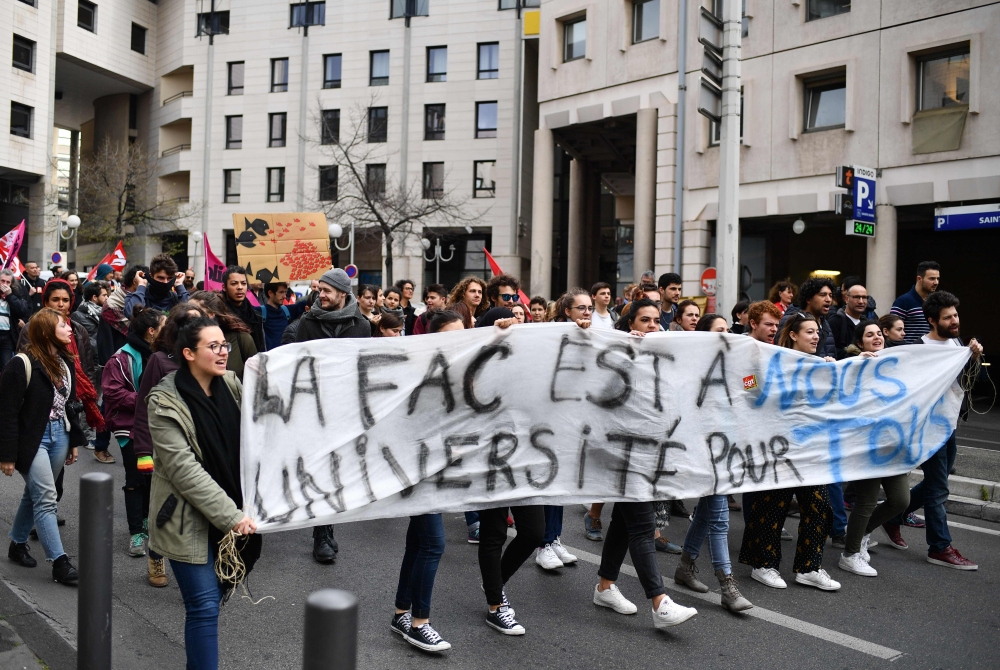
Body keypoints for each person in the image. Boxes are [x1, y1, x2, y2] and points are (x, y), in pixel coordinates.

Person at [147, 317, 261, 670]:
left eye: (224, 344)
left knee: (212, 601)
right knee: (204, 606)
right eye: (213, 346)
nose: (223, 351)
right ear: (188, 353)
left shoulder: (231, 382)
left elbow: (258, 434)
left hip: (234, 509)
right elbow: (184, 471)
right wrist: (232, 517)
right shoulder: (163, 401)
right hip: (185, 519)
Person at [738, 312, 840, 592]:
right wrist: (759, 380)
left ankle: (809, 567)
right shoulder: (770, 360)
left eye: (817, 331)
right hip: (777, 448)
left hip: (809, 450)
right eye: (809, 332)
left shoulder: (821, 365)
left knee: (818, 505)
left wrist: (841, 370)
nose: (816, 336)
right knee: (773, 506)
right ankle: (763, 565)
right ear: (793, 335)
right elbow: (746, 386)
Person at [884, 291, 982, 568]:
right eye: (948, 317)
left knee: (935, 483)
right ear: (931, 320)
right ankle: (939, 547)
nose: (954, 321)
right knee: (938, 489)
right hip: (928, 427)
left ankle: (892, 517)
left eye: (956, 315)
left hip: (949, 424)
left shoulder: (958, 343)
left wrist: (974, 358)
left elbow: (971, 382)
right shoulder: (919, 348)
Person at [673, 314, 753, 612]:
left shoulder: (737, 365)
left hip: (727, 448)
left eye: (728, 330)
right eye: (720, 331)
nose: (727, 334)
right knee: (719, 517)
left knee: (708, 513)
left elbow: (752, 388)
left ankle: (685, 566)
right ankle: (727, 585)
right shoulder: (690, 368)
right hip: (702, 450)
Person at [0, 308, 82, 585]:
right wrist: (7, 455)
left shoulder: (65, 362)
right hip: (31, 438)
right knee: (47, 496)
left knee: (34, 493)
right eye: (63, 326)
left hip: (60, 434)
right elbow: (7, 413)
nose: (70, 330)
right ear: (47, 331)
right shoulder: (20, 364)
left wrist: (74, 440)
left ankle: (17, 544)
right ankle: (60, 562)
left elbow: (68, 405)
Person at [296, 269, 371, 563]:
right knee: (320, 469)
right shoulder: (308, 322)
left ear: (343, 293)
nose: (321, 295)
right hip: (313, 408)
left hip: (344, 408)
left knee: (337, 470)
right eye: (320, 291)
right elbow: (295, 361)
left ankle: (327, 528)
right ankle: (321, 534)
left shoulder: (361, 325)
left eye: (327, 291)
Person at [132, 303, 206, 587]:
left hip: (199, 446)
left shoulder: (205, 356)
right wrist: (142, 451)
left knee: (197, 506)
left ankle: (196, 563)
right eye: (189, 322)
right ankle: (156, 555)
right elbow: (143, 406)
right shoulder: (160, 360)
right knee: (165, 507)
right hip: (165, 448)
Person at [834, 320, 909, 578]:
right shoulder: (854, 363)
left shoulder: (894, 362)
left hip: (891, 442)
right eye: (870, 335)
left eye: (879, 333)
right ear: (860, 342)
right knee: (866, 500)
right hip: (866, 443)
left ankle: (861, 532)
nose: (876, 337)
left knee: (901, 500)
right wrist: (856, 364)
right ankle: (850, 554)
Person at [532, 292, 592, 572]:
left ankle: (554, 537)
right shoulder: (548, 333)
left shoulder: (592, 334)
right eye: (582, 308)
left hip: (572, 420)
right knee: (548, 480)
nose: (587, 313)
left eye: (590, 308)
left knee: (561, 485)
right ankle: (543, 543)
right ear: (566, 311)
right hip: (547, 419)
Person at [101, 307, 165, 559]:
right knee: (136, 478)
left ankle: (149, 522)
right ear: (151, 332)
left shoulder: (163, 355)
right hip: (130, 428)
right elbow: (113, 393)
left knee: (154, 477)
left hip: (159, 426)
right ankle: (136, 532)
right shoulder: (120, 359)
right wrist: (148, 399)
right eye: (163, 326)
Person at [187, 291, 257, 381]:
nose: (189, 315)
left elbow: (257, 377)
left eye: (196, 312)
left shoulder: (242, 339)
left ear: (211, 314)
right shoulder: (186, 340)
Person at [778, 277, 836, 358]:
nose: (828, 299)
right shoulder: (791, 320)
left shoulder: (825, 323)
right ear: (808, 299)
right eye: (823, 295)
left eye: (830, 295)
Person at [124, 254, 189, 317]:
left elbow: (191, 315)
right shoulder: (136, 297)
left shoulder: (175, 298)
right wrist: (141, 285)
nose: (165, 282)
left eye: (169, 278)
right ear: (151, 276)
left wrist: (179, 285)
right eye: (160, 278)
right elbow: (131, 314)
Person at [891, 260, 940, 344]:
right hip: (910, 352)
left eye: (937, 279)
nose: (936, 282)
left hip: (931, 352)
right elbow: (891, 330)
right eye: (932, 279)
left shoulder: (936, 302)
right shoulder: (903, 301)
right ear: (919, 279)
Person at [220, 266, 265, 352]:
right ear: (224, 287)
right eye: (234, 283)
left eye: (243, 283)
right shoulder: (219, 316)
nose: (240, 287)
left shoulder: (255, 317)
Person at [829, 282, 877, 359]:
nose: (861, 301)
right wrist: (856, 356)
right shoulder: (835, 322)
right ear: (846, 299)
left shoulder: (868, 323)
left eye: (864, 297)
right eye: (857, 297)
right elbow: (830, 351)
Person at [258, 282, 306, 351]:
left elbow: (306, 303)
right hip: (269, 358)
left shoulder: (287, 310)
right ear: (270, 293)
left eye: (285, 292)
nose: (284, 296)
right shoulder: (259, 312)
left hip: (286, 357)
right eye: (281, 292)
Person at [0, 270, 30, 368]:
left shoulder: (15, 294)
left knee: (6, 365)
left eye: (8, 282)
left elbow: (22, 310)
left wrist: (9, 296)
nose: (5, 284)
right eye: (2, 281)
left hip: (8, 335)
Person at [72, 280, 109, 353]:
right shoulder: (77, 316)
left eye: (107, 295)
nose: (107, 298)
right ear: (94, 297)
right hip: (91, 357)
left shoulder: (106, 312)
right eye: (104, 295)